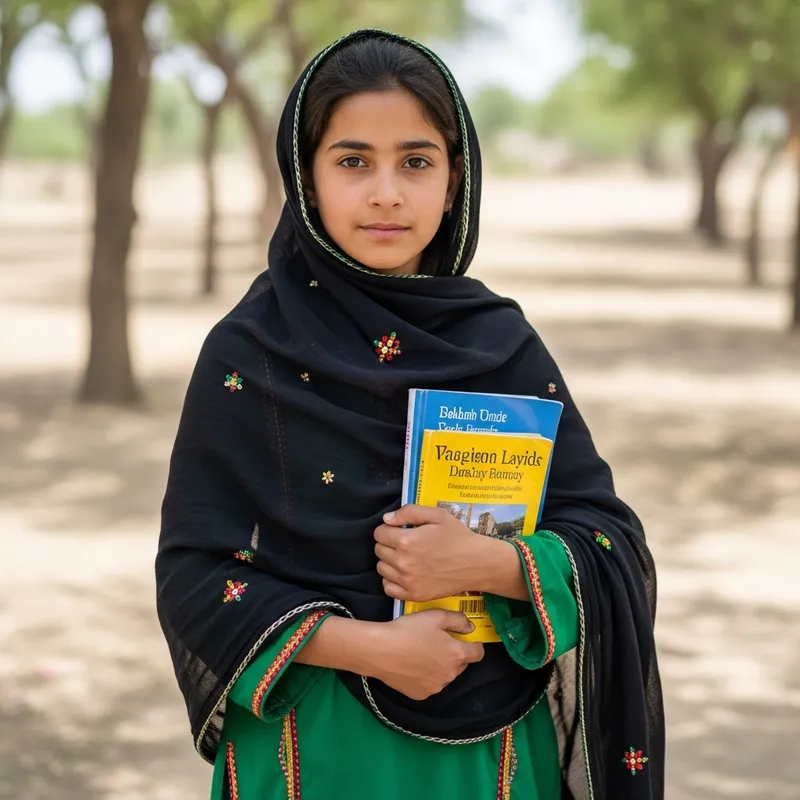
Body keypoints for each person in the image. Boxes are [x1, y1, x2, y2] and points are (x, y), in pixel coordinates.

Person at [155, 29, 664, 800]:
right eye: (353, 161)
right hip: (310, 747)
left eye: (416, 162)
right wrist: (370, 647)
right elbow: (195, 574)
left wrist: (491, 564)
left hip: (489, 755)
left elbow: (608, 539)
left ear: (455, 181)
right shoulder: (249, 352)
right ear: (306, 176)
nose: (386, 191)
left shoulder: (501, 346)